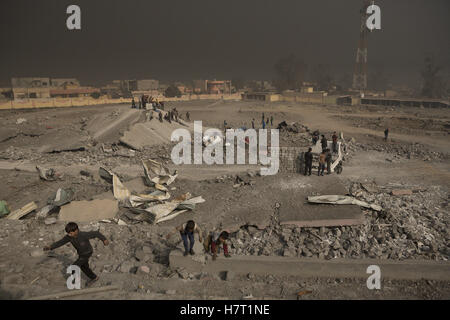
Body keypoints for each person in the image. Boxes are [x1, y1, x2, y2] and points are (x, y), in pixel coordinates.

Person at [43, 222, 109, 286]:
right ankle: (94, 278)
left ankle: (74, 281)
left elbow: (96, 233)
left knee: (74, 266)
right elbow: (60, 242)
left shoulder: (83, 235)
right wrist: (50, 247)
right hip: (81, 254)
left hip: (87, 252)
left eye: (71, 233)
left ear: (76, 231)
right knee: (84, 267)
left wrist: (104, 239)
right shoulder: (69, 237)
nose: (69, 235)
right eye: (68, 233)